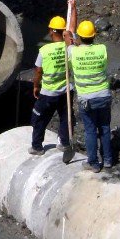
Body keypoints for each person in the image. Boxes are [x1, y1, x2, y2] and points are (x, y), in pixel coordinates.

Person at [69, 20, 112, 172]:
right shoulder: (102, 49)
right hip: (104, 96)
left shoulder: (73, 51)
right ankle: (107, 160)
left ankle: (93, 163)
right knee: (105, 128)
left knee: (90, 130)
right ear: (94, 36)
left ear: (79, 37)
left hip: (86, 99)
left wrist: (70, 39)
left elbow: (71, 40)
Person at [31, 16, 73, 159]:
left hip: (48, 92)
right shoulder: (69, 47)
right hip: (65, 91)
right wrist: (72, 9)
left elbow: (38, 71)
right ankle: (64, 142)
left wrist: (36, 86)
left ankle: (37, 147)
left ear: (50, 31)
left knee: (39, 118)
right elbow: (72, 29)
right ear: (63, 32)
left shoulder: (44, 50)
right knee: (65, 117)